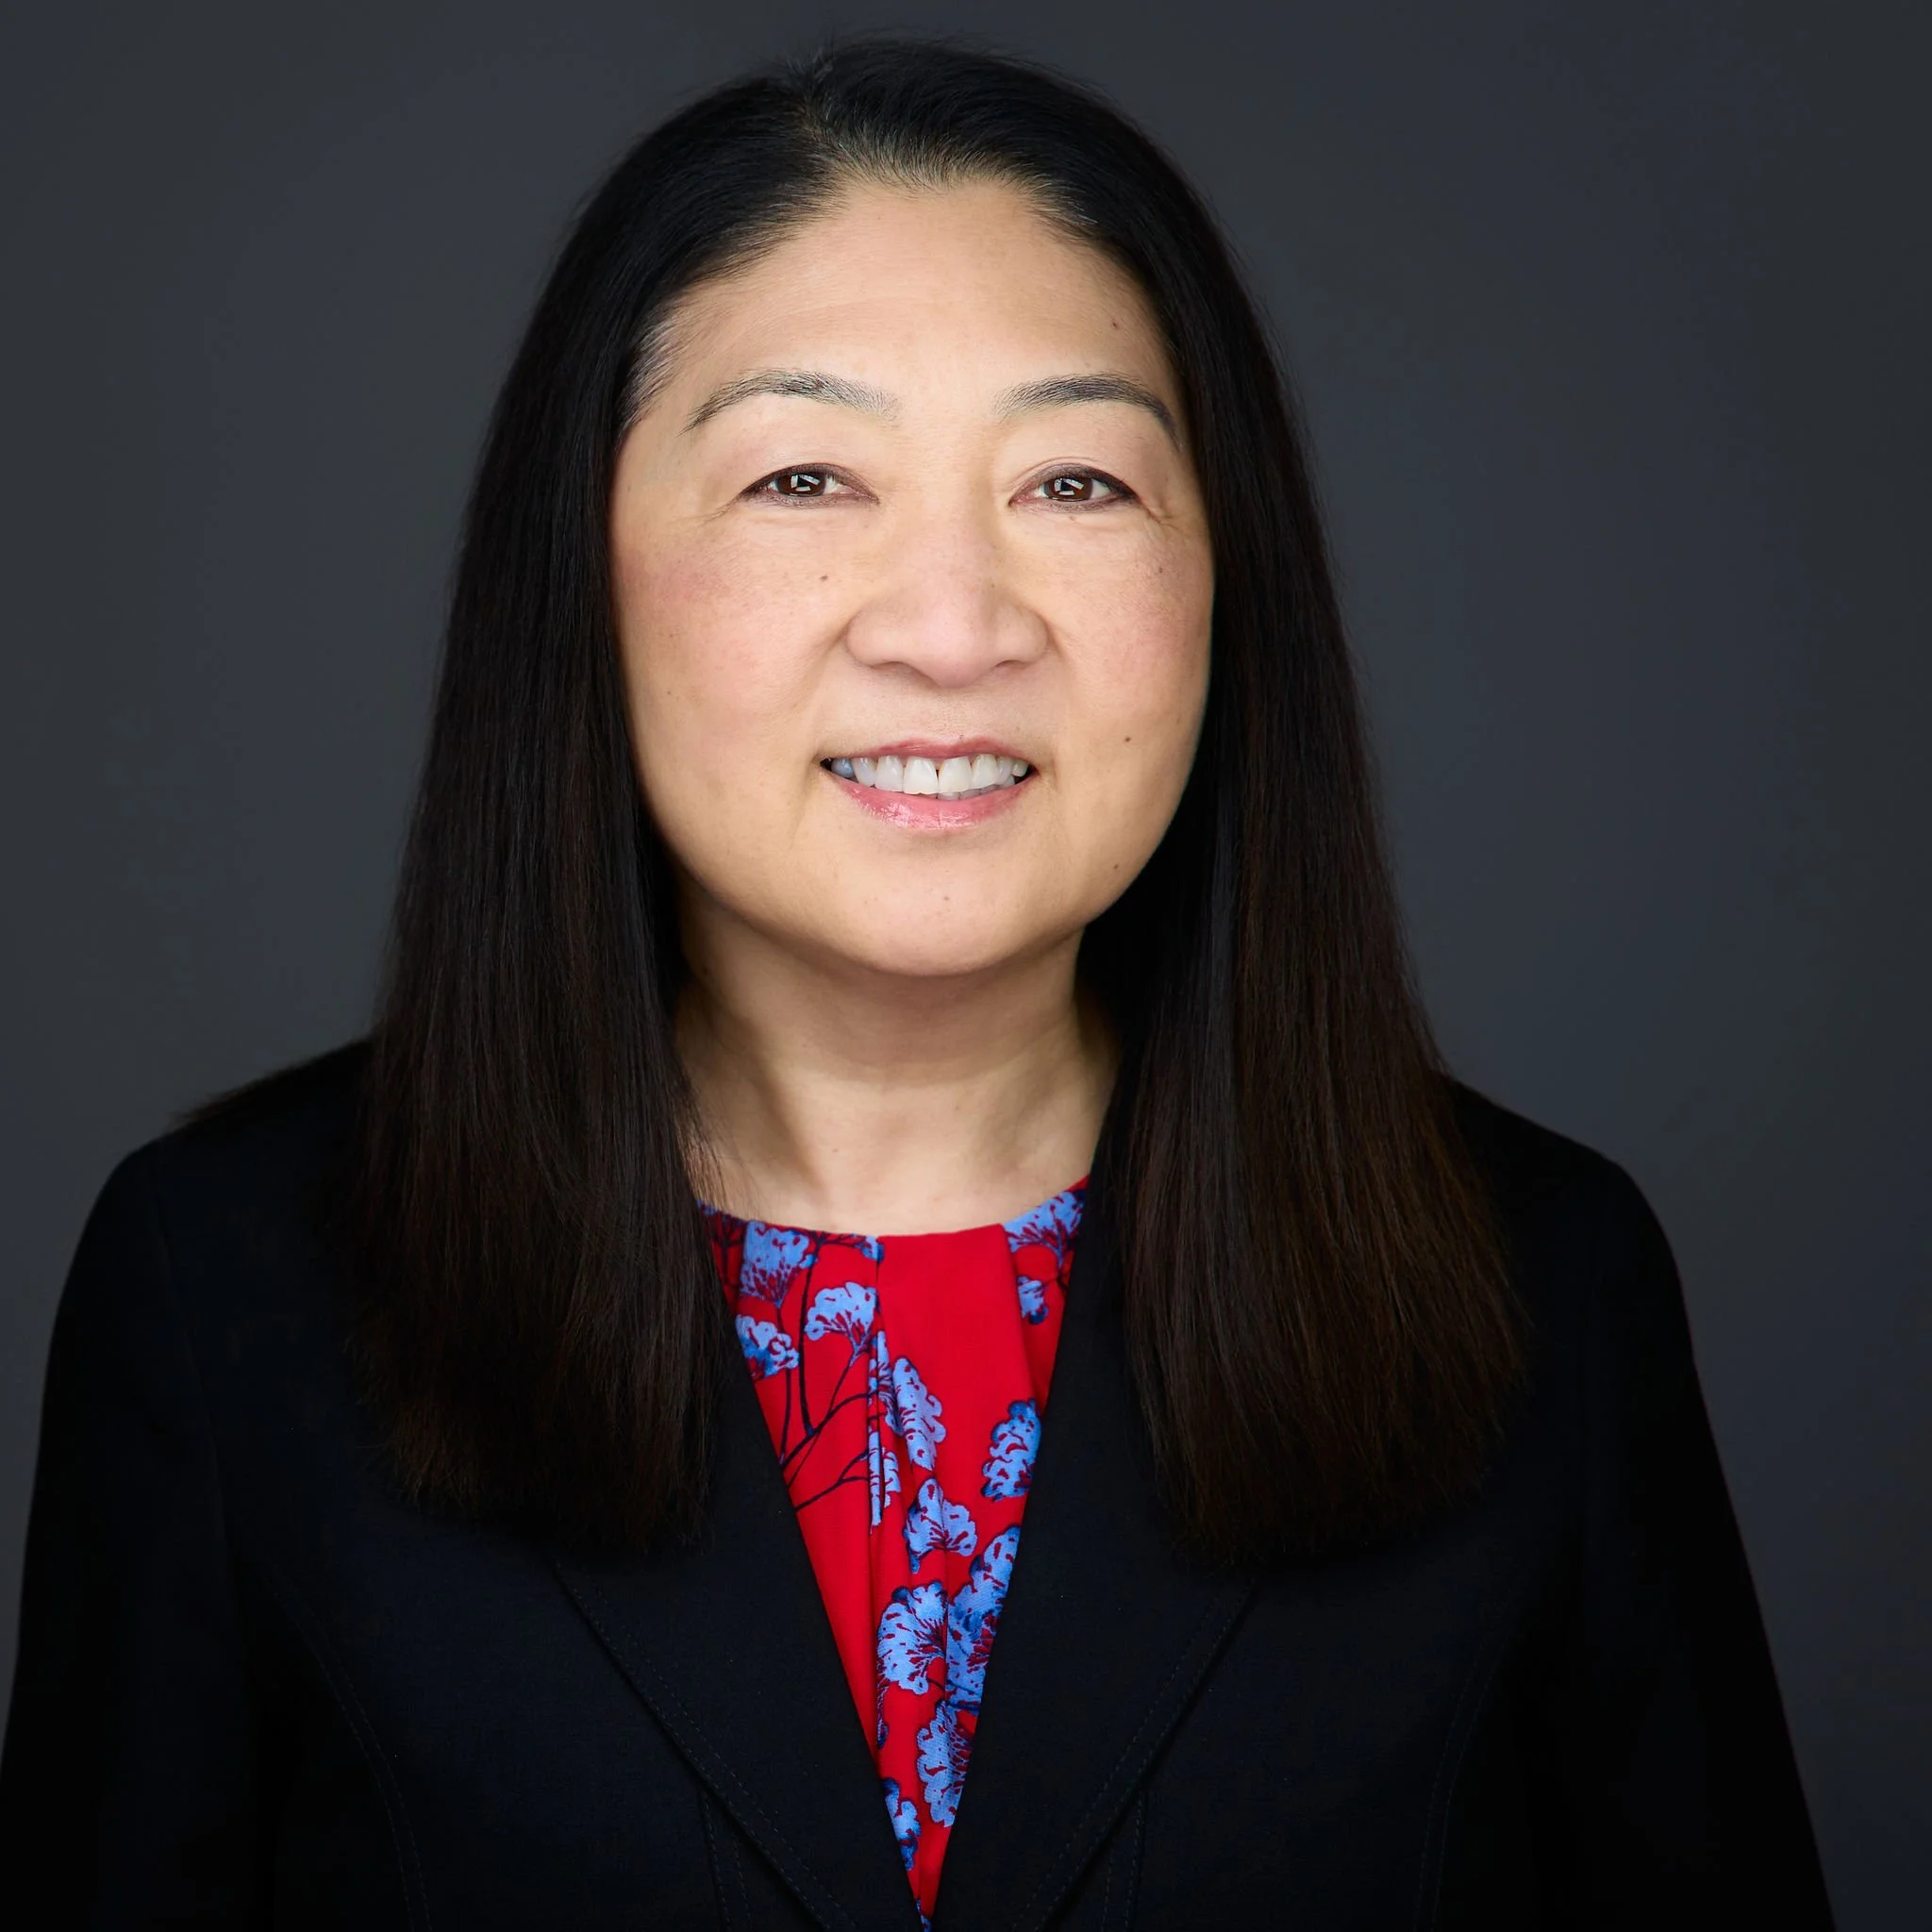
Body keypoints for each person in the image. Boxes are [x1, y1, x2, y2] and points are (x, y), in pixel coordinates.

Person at [0, 39, 1834, 1929]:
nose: (953, 625)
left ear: (1225, 581)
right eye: (804, 474)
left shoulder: (1538, 1292)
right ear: (585, 572)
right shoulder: (229, 1298)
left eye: (1074, 481)